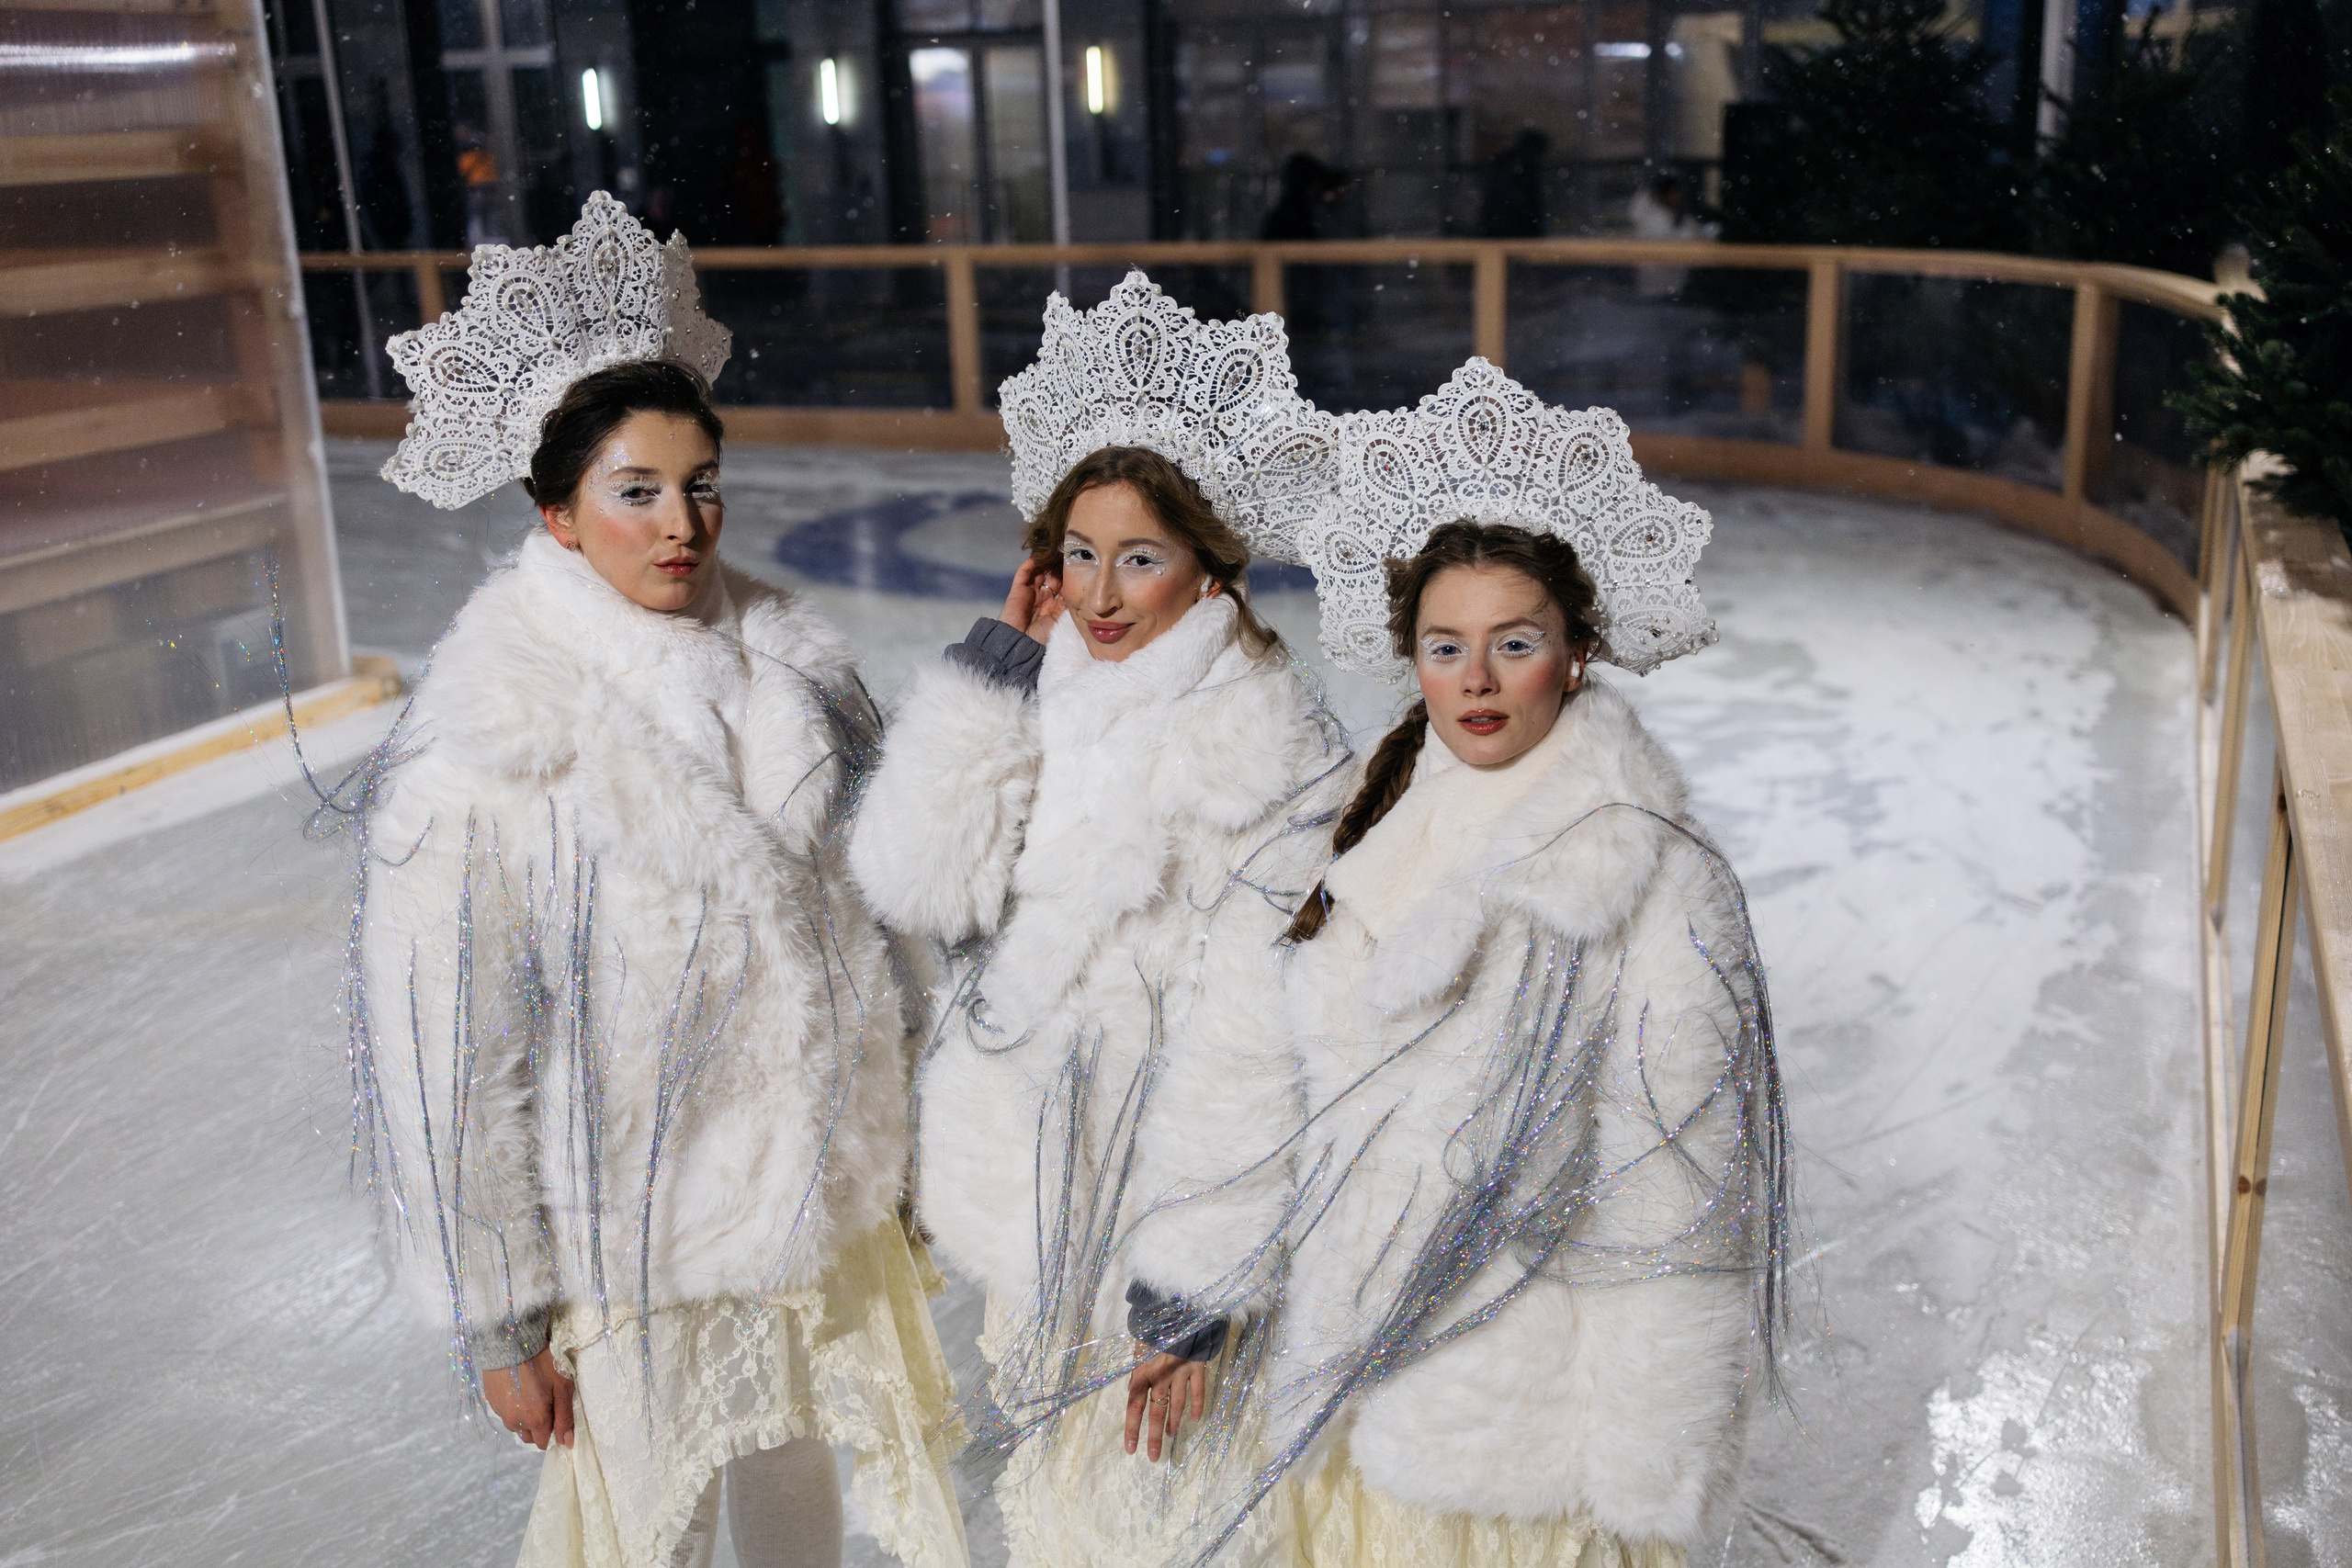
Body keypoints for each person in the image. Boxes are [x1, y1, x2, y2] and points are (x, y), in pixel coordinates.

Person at [349, 196, 967, 1568]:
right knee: (651, 1526)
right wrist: (497, 1311)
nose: (680, 523)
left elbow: (886, 935)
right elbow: (444, 1045)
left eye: (702, 484)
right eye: (635, 490)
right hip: (626, 1232)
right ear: (558, 512)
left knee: (800, 1493)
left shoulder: (797, 673)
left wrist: (914, 1151)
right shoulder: (489, 738)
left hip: (818, 1193)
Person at [851, 276, 1349, 1567]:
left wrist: (1190, 1284)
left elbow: (1256, 1037)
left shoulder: (1263, 743)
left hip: (1160, 1208)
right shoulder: (1046, 682)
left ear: (1209, 564)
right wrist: (989, 680)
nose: (1103, 593)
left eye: (1141, 557)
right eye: (1079, 553)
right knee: (1066, 1517)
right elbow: (916, 884)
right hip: (1034, 1187)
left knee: (1165, 1523)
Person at [1267, 519, 1784, 1568]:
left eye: (1515, 643)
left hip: (1520, 1435)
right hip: (1355, 1382)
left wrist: (1645, 1461)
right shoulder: (1382, 819)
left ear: (1576, 653)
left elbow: (1675, 1190)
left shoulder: (1651, 874)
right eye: (1446, 647)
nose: (1478, 679)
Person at [1479, 128, 1550, 238]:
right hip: (1511, 228)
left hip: (1507, 227)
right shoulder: (1518, 167)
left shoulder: (1514, 165)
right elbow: (1514, 199)